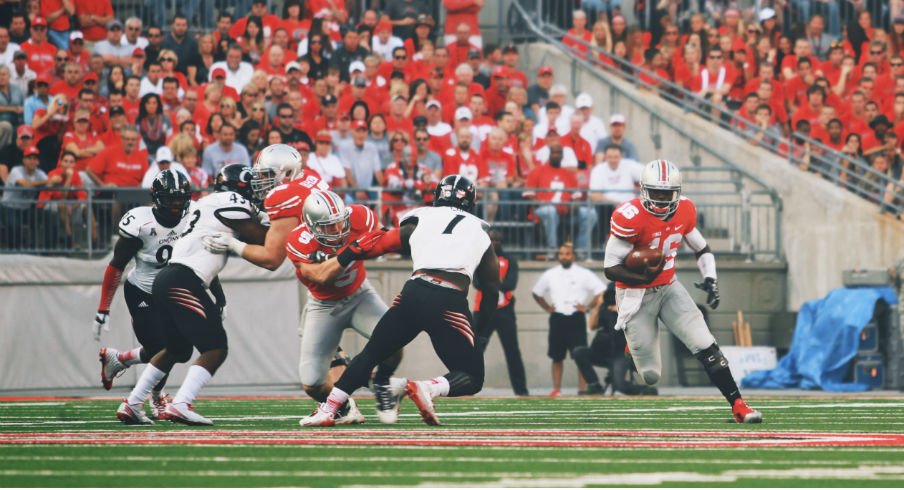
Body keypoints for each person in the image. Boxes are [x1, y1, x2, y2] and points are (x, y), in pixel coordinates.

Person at [301, 174, 500, 427]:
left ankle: (328, 409)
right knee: (472, 377)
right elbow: (492, 288)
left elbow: (380, 243)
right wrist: (480, 334)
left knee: (371, 353)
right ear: (471, 200)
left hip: (413, 293)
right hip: (449, 299)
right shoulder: (479, 231)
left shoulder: (421, 218)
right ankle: (424, 388)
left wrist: (344, 253)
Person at [207, 190, 406, 424]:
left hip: (360, 294)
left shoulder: (360, 216)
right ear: (312, 226)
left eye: (340, 223)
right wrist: (351, 250)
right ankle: (343, 407)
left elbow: (383, 241)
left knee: (394, 339)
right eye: (328, 226)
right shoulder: (297, 240)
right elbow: (320, 276)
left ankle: (382, 383)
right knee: (312, 383)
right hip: (324, 306)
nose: (337, 230)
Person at [603, 159, 763, 424]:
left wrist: (710, 278)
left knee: (705, 344)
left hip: (668, 288)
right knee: (651, 375)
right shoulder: (628, 217)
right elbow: (610, 268)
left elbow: (701, 248)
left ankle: (738, 404)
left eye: (667, 193)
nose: (663, 199)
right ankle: (632, 345)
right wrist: (642, 275)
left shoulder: (685, 210)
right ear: (644, 190)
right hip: (635, 296)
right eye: (656, 193)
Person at [115, 164, 268, 426]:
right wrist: (274, 221)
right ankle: (182, 404)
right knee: (216, 347)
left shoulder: (207, 204)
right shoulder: (230, 200)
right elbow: (264, 241)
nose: (256, 191)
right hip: (183, 281)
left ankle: (132, 403)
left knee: (176, 348)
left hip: (167, 279)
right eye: (252, 186)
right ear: (238, 188)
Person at [94, 170, 194, 419]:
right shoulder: (140, 222)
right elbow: (117, 265)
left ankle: (121, 358)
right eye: (171, 199)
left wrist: (218, 297)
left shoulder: (191, 219)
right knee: (164, 348)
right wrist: (103, 307)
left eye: (180, 199)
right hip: (143, 291)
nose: (176, 205)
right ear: (157, 198)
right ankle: (156, 398)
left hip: (172, 291)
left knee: (182, 350)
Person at [532, 242, 605, 397]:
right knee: (556, 356)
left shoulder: (584, 273)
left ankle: (583, 388)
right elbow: (536, 292)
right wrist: (547, 308)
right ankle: (557, 389)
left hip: (576, 318)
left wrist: (587, 308)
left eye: (567, 254)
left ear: (573, 256)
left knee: (580, 355)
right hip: (557, 317)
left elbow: (601, 291)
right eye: (561, 254)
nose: (564, 257)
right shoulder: (550, 273)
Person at [571, 282, 658, 395]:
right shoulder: (604, 308)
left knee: (619, 386)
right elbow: (592, 326)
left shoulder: (632, 308)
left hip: (619, 355)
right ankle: (594, 385)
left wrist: (622, 311)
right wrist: (598, 305)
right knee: (579, 352)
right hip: (600, 352)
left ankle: (644, 390)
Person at [474, 229, 529, 396]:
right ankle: (466, 387)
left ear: (502, 241)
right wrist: (497, 283)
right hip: (483, 310)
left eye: (498, 240)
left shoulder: (510, 260)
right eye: (492, 240)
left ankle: (521, 391)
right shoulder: (479, 259)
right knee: (475, 350)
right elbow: (476, 283)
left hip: (505, 311)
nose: (495, 243)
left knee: (512, 351)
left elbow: (511, 284)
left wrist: (490, 283)